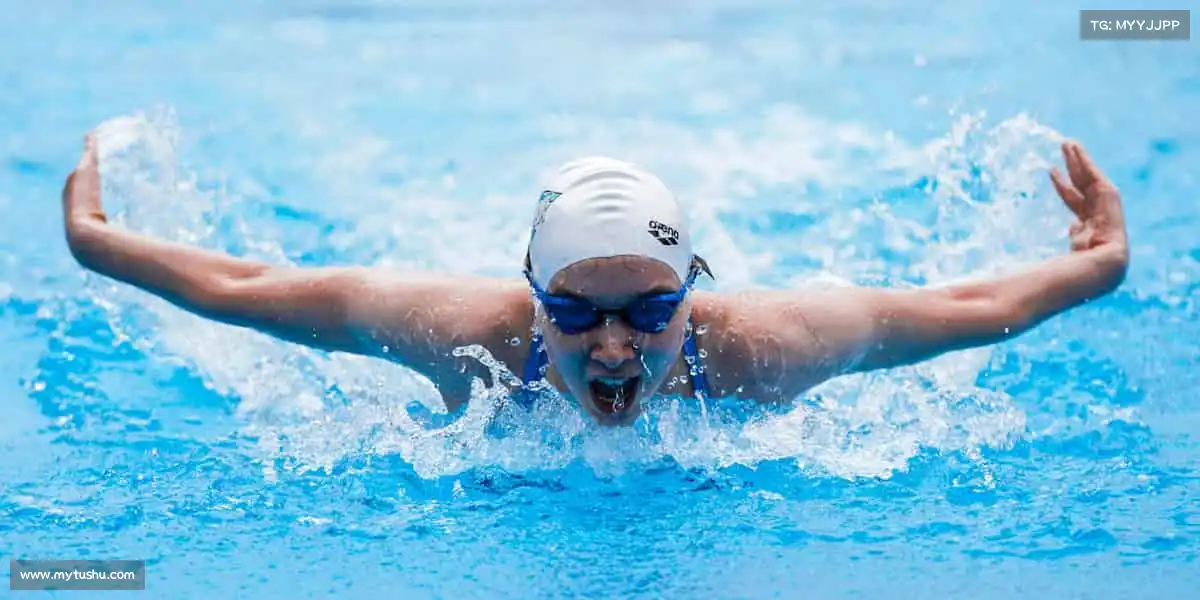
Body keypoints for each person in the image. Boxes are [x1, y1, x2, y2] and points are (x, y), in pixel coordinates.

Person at [61, 133, 1130, 425]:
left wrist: (1099, 267)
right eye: (575, 312)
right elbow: (250, 286)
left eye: (649, 311)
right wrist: (100, 244)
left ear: (692, 291)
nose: (615, 346)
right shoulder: (461, 335)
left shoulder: (765, 347)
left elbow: (968, 309)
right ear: (530, 299)